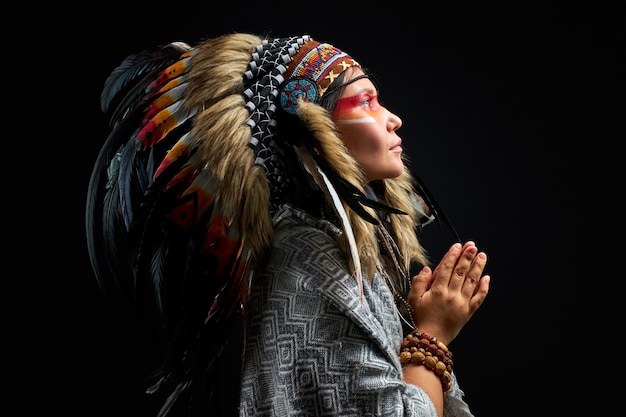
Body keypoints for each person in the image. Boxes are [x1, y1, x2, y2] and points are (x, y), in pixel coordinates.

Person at [86, 33, 490, 417]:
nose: (393, 119)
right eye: (365, 101)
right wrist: (432, 335)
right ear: (315, 131)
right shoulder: (311, 262)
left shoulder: (334, 247)